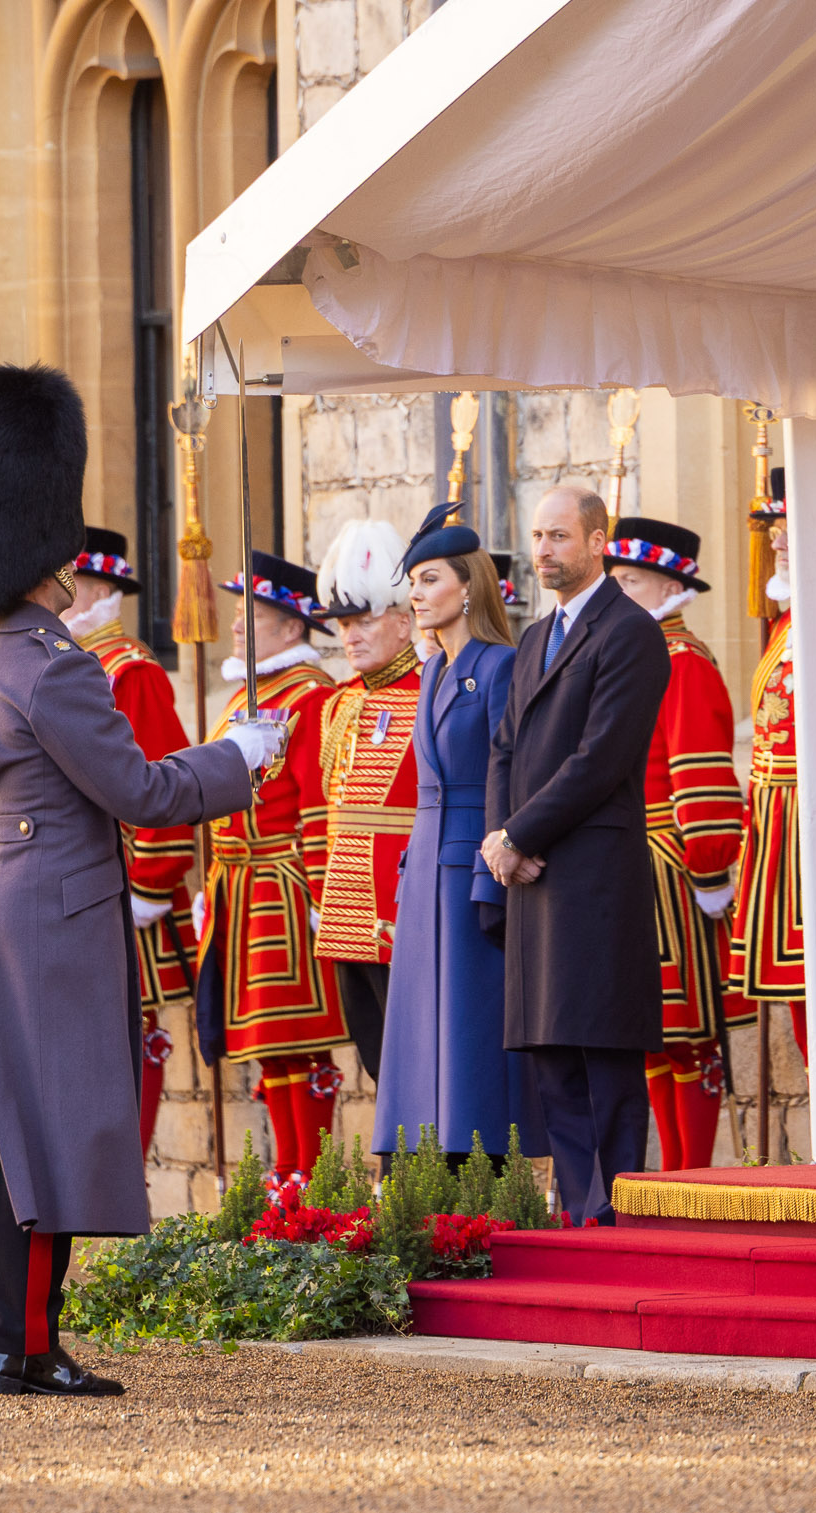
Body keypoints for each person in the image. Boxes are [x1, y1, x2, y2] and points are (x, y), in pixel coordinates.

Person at [0, 364, 272, 1397]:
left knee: (2, 1135)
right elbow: (141, 791)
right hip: (61, 914)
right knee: (49, 1133)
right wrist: (243, 757)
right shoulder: (56, 664)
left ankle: (8, 1339)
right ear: (46, 556)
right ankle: (28, 1347)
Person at [482, 485, 672, 1225]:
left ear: (598, 541)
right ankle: (575, 1213)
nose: (543, 552)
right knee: (551, 1052)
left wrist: (520, 834)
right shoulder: (534, 638)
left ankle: (617, 1210)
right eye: (536, 536)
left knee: (603, 1048)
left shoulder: (629, 632)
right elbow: (505, 749)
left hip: (592, 874)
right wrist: (503, 839)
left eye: (559, 536)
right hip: (530, 872)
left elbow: (600, 758)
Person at [373, 503, 527, 1164]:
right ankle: (422, 1169)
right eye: (412, 580)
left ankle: (482, 1168)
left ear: (469, 585)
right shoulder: (431, 670)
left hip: (473, 869)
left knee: (468, 1033)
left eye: (429, 578)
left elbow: (511, 772)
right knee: (419, 1035)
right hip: (425, 866)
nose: (416, 593)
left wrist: (499, 856)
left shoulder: (499, 666)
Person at [201, 546, 352, 1182]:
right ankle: (283, 1179)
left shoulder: (312, 697)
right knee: (267, 1049)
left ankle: (308, 1179)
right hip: (239, 884)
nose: (236, 624)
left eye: (252, 613)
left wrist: (324, 895)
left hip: (286, 888)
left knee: (297, 1042)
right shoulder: (244, 697)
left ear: (292, 627)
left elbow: (321, 803)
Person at [606, 516, 751, 1170]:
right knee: (649, 1033)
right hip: (626, 861)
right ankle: (669, 1175)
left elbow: (702, 774)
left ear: (668, 583)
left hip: (670, 863)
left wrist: (709, 868)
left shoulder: (682, 660)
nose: (616, 592)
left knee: (686, 1032)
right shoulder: (630, 653)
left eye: (629, 580)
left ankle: (691, 1169)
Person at [64, 526, 201, 1156]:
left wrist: (147, 886)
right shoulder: (73, 665)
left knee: (131, 1028)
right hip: (80, 877)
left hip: (126, 882)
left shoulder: (132, 673)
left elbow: (164, 787)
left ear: (94, 588)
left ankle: (127, 1178)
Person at [316, 520, 420, 1096]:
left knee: (419, 1067)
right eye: (344, 625)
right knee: (379, 1064)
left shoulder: (435, 693)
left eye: (363, 621)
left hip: (405, 914)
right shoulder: (339, 705)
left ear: (404, 622)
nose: (350, 636)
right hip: (345, 913)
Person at [736, 470, 807, 1058]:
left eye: (787, 529)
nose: (776, 542)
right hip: (775, 817)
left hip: (808, 823)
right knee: (799, 996)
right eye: (775, 530)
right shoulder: (786, 622)